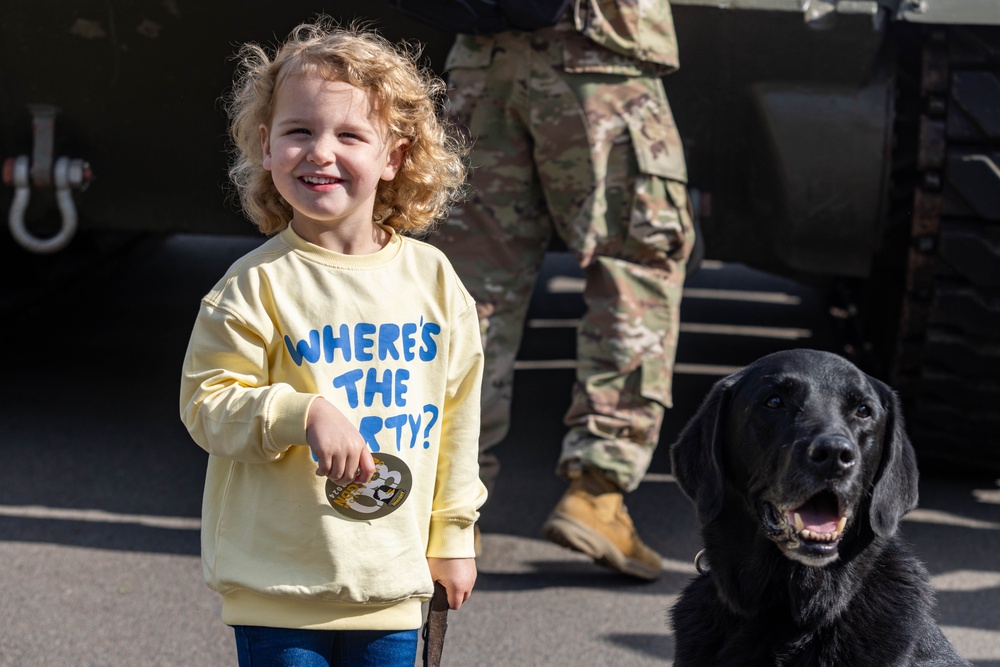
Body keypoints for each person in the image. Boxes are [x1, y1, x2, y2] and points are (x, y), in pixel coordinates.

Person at [178, 18, 486, 666]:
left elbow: (458, 422)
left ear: (394, 156)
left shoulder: (434, 283)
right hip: (278, 586)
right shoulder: (255, 285)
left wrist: (455, 535)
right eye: (299, 132)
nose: (321, 151)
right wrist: (301, 411)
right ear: (266, 147)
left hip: (393, 585)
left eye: (349, 134)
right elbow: (206, 404)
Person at [418, 0, 695, 581]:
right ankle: (598, 492)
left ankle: (448, 507)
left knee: (468, 289)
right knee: (633, 272)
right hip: (599, 57)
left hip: (482, 59)